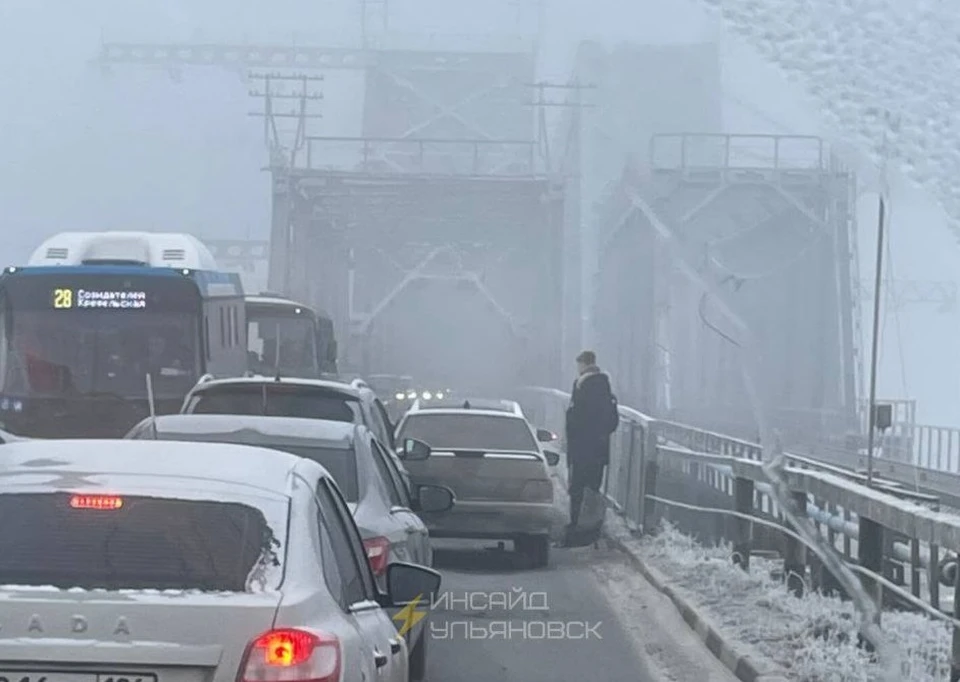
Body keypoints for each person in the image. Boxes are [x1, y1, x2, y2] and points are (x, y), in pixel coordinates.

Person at [565, 350, 615, 528]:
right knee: (593, 486)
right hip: (599, 449)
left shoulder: (581, 385)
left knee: (577, 487)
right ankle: (591, 525)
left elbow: (576, 418)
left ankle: (576, 524)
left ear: (584, 364)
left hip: (581, 448)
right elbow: (610, 421)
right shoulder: (604, 385)